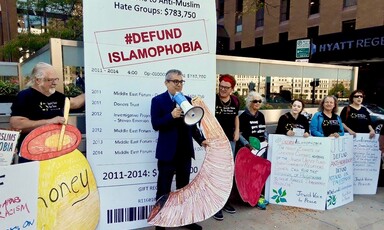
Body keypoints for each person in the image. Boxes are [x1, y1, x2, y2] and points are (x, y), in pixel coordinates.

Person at [150, 69, 207, 230]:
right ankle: (160, 223)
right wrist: (171, 116)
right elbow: (156, 124)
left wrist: (202, 140)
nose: (179, 85)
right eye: (175, 81)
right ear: (166, 83)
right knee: (163, 189)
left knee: (184, 189)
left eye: (181, 81)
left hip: (184, 152)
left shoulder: (187, 100)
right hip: (167, 153)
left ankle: (185, 220)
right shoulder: (158, 101)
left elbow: (192, 125)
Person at [10, 62, 85, 163]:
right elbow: (16, 124)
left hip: (56, 153)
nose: (55, 83)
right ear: (37, 80)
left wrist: (92, 91)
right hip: (32, 154)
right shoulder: (24, 96)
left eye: (56, 79)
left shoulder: (57, 96)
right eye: (50, 80)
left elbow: (74, 103)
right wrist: (49, 122)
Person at [213, 74, 239, 221]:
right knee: (217, 172)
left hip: (230, 140)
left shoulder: (235, 100)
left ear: (232, 89)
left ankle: (225, 201)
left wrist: (236, 130)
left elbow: (236, 116)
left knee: (228, 172)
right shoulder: (213, 98)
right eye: (221, 86)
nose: (222, 89)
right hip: (216, 141)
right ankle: (216, 205)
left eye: (226, 87)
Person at [238, 92, 269, 209]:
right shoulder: (243, 116)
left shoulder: (261, 115)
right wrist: (247, 144)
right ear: (249, 102)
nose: (258, 103)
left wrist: (266, 140)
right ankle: (249, 198)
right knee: (249, 175)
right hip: (248, 150)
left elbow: (263, 130)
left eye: (259, 101)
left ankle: (258, 196)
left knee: (259, 174)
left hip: (261, 149)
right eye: (255, 101)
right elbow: (239, 134)